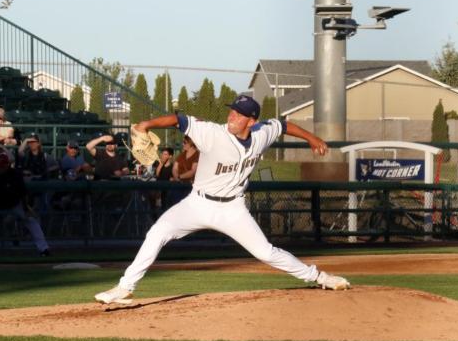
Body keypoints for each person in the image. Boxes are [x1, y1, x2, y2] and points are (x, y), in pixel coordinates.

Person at [95, 95, 350, 305]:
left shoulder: (262, 133)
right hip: (198, 203)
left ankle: (319, 277)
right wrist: (146, 125)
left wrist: (312, 138)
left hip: (232, 208)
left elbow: (284, 125)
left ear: (252, 121)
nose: (232, 116)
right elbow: (178, 120)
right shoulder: (212, 133)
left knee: (266, 252)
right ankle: (125, 287)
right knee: (157, 233)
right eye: (232, 111)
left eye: (239, 114)